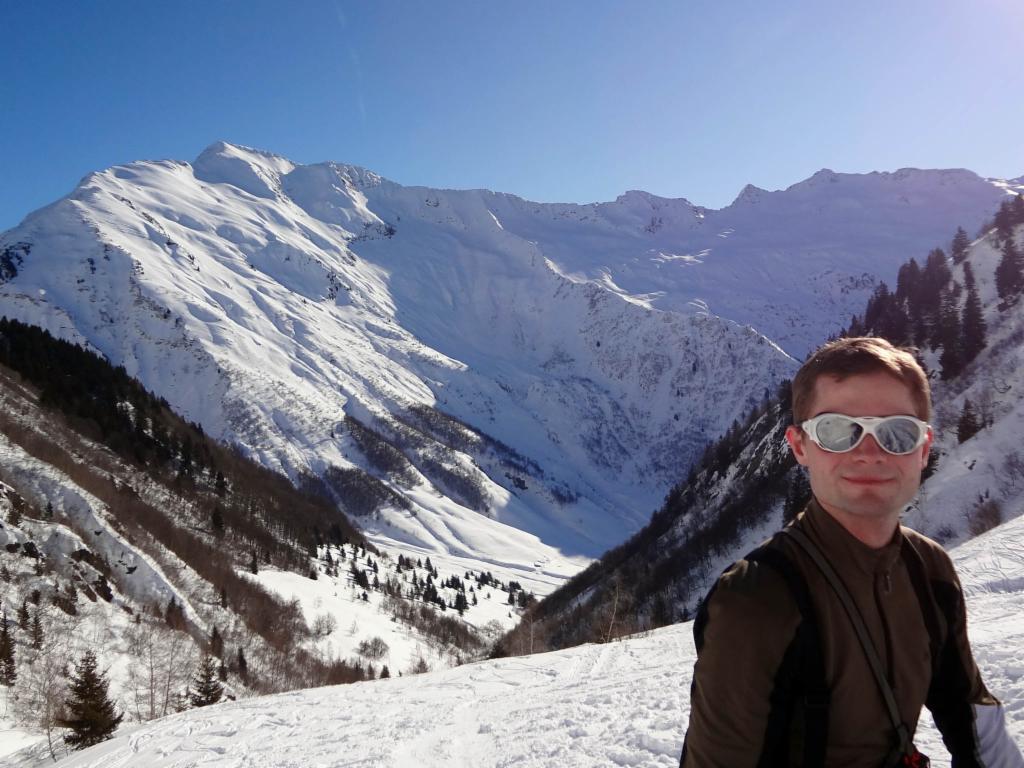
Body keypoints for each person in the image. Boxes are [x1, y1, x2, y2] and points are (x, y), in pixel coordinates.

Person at [680, 337, 1023, 767]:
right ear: (800, 445)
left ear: (923, 448)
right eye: (837, 431)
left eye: (897, 432)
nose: (869, 452)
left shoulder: (930, 569)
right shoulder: (756, 598)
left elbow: (973, 719)